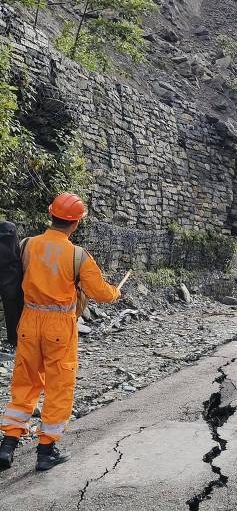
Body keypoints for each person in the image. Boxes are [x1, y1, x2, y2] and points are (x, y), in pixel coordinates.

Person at [0, 193, 121, 471]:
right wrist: (115, 293)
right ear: (76, 223)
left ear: (50, 214)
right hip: (59, 327)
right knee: (58, 386)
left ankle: (7, 446)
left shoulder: (27, 245)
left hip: (28, 321)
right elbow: (100, 293)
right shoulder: (78, 256)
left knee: (25, 383)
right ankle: (46, 450)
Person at [0, 222, 24, 350]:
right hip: (16, 280)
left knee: (10, 311)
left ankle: (12, 338)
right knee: (18, 309)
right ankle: (18, 337)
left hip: (5, 282)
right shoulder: (13, 238)